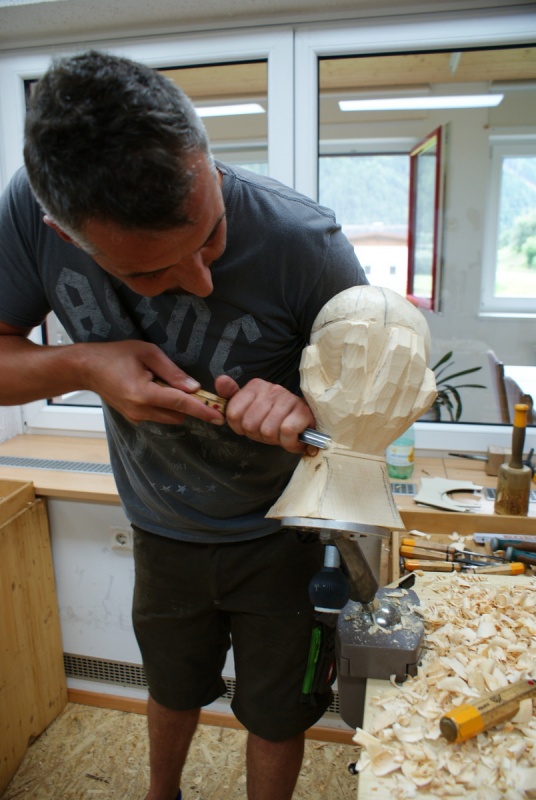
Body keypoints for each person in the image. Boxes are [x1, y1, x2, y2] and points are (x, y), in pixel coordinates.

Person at [0, 50, 367, 800]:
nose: (200, 282)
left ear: (205, 161)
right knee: (170, 687)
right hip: (160, 526)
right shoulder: (29, 215)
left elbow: (372, 414)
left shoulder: (305, 241)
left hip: (285, 535)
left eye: (212, 236)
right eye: (150, 273)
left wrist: (311, 409)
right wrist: (84, 365)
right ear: (65, 235)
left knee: (277, 712)